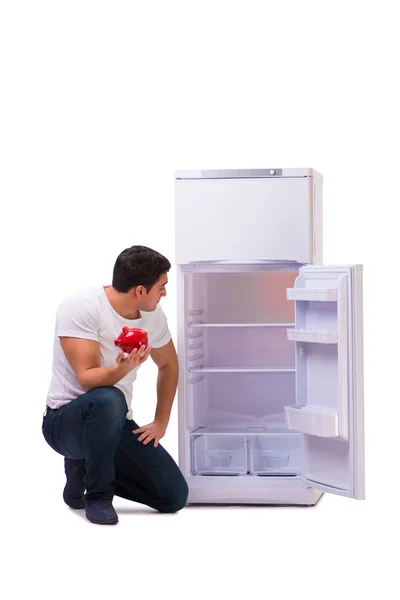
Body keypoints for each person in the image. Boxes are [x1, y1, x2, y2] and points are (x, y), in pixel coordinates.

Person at [42, 245, 188, 525]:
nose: (165, 294)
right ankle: (97, 495)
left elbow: (169, 364)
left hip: (113, 422)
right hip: (65, 422)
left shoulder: (153, 315)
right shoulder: (82, 306)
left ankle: (85, 470)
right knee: (109, 398)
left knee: (173, 496)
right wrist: (125, 367)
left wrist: (161, 421)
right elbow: (87, 379)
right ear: (140, 291)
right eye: (161, 287)